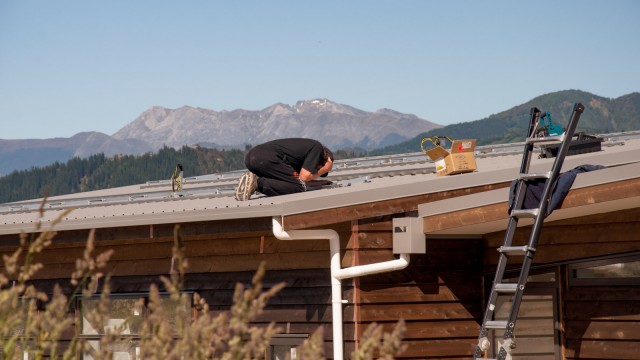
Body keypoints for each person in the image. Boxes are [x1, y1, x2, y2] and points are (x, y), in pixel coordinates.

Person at [234, 138, 334, 201]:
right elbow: (304, 179)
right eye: (318, 169)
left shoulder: (300, 155)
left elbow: (296, 180)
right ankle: (257, 182)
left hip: (252, 158)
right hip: (267, 157)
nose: (316, 171)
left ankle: (252, 182)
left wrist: (320, 183)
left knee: (296, 184)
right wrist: (326, 168)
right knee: (299, 187)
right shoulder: (317, 148)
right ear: (322, 160)